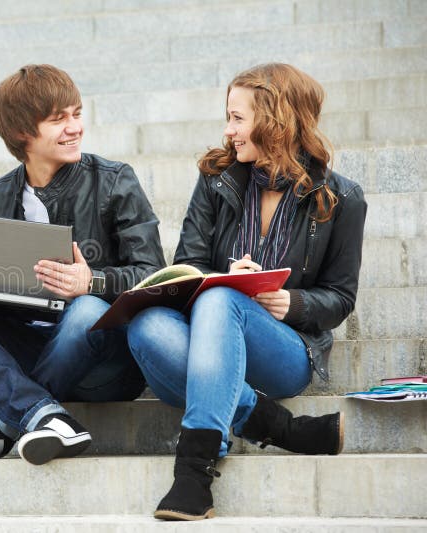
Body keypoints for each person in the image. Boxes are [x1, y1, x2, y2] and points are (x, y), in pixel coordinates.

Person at [126, 63, 367, 520]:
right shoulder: (217, 179)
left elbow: (340, 297)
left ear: (276, 121)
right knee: (146, 325)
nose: (228, 130)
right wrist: (223, 273)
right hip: (207, 340)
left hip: (285, 348)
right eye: (229, 117)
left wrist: (290, 302)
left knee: (221, 299)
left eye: (238, 118)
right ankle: (281, 427)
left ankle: (194, 470)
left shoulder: (341, 199)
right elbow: (188, 266)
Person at [0, 64, 165, 465]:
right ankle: (44, 414)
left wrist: (93, 282)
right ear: (23, 133)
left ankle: (6, 422)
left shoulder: (113, 180)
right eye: (59, 120)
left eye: (77, 114)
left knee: (86, 309)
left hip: (99, 358)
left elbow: (154, 275)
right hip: (31, 344)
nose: (75, 128)